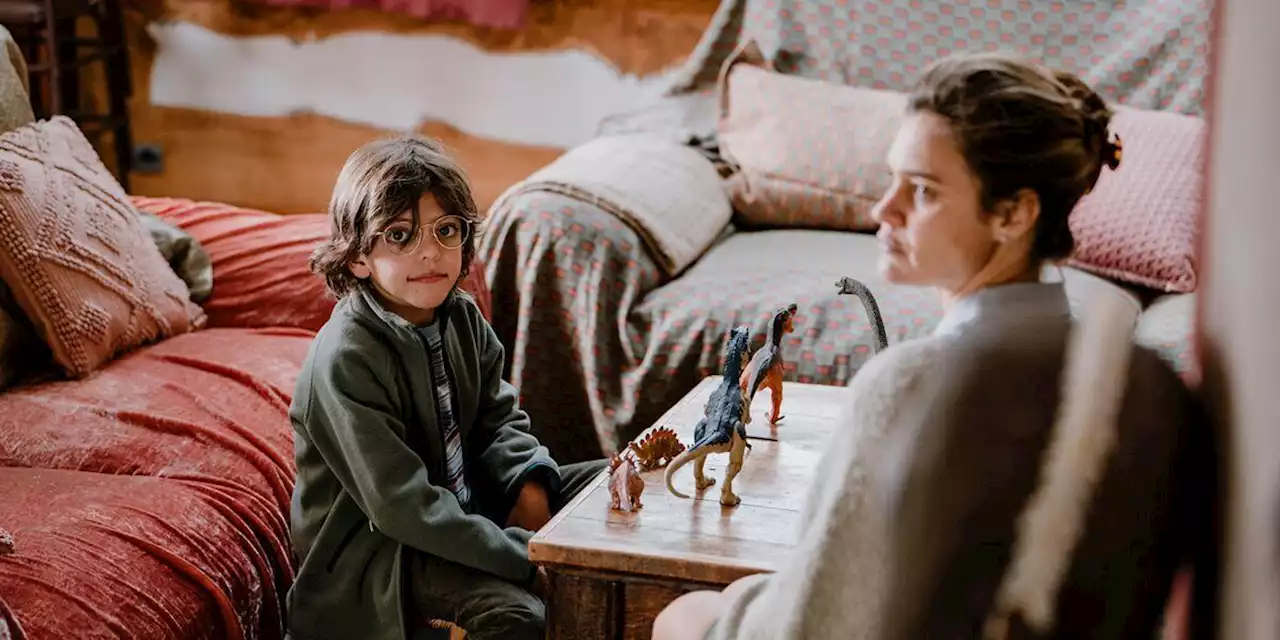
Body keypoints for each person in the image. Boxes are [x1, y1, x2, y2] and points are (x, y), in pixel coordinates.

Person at [651, 52, 1131, 640]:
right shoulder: (1116, 376)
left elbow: (808, 628)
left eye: (923, 191)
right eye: (892, 178)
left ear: (1014, 213)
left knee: (681, 614)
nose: (884, 209)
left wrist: (701, 619)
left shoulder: (910, 386)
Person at [286, 135, 606, 640]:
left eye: (446, 230)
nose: (430, 252)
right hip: (385, 556)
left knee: (614, 487)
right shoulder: (346, 357)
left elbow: (499, 421)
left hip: (466, 508)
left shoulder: (463, 318)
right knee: (520, 616)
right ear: (356, 257)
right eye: (399, 235)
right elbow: (401, 506)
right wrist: (524, 556)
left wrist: (529, 485)